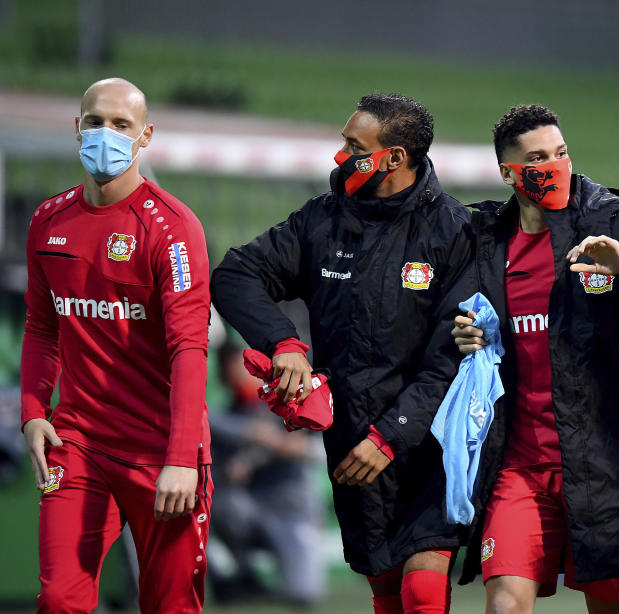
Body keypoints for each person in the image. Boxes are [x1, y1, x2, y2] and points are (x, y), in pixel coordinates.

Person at [452, 104, 619, 613]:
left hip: (609, 467)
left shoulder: (616, 221)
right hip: (520, 467)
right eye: (537, 158)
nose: (554, 166)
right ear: (509, 173)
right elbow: (455, 320)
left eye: (561, 153)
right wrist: (462, 335)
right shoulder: (485, 241)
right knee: (504, 605)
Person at [211, 93, 472, 614]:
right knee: (387, 594)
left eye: (354, 145)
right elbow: (235, 274)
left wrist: (391, 435)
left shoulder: (453, 231)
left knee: (422, 592)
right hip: (351, 445)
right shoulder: (322, 221)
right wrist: (284, 345)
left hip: (427, 448)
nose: (341, 155)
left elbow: (453, 359)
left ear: (394, 157)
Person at [20, 78, 213, 613]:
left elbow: (188, 349)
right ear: (76, 127)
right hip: (78, 444)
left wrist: (181, 458)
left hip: (162, 452)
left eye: (121, 125)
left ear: (145, 135)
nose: (105, 134)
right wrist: (34, 412)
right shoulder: (48, 221)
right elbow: (41, 327)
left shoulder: (173, 229)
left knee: (170, 605)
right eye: (95, 121)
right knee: (59, 600)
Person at [208, 341, 328, 606]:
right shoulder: (228, 415)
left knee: (304, 593)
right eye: (228, 369)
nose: (235, 376)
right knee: (217, 501)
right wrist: (254, 439)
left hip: (290, 510)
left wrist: (274, 447)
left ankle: (274, 575)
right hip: (250, 508)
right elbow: (207, 424)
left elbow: (317, 450)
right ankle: (243, 575)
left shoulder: (287, 399)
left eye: (242, 368)